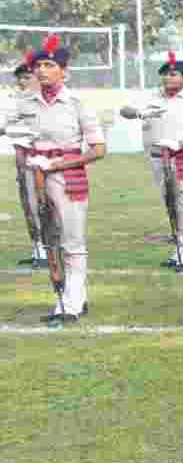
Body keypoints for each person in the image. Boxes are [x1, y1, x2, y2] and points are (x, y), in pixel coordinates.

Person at [17, 35, 106, 323]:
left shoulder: (78, 104)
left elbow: (98, 149)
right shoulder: (24, 104)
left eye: (49, 65)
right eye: (38, 65)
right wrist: (27, 161)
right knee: (47, 239)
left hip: (67, 175)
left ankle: (72, 303)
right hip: (35, 175)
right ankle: (67, 294)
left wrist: (60, 163)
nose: (41, 70)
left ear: (63, 71)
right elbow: (18, 143)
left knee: (71, 240)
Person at [119, 51, 183, 272]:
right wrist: (140, 113)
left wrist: (182, 143)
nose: (169, 78)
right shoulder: (150, 97)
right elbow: (124, 110)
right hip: (158, 157)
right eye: (166, 74)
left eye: (174, 74)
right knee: (170, 203)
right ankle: (178, 249)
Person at [4, 55, 47, 268]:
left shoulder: (43, 101)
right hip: (23, 157)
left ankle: (49, 249)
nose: (22, 82)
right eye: (20, 78)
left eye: (27, 77)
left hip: (42, 159)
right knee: (28, 203)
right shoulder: (16, 101)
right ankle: (38, 247)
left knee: (43, 203)